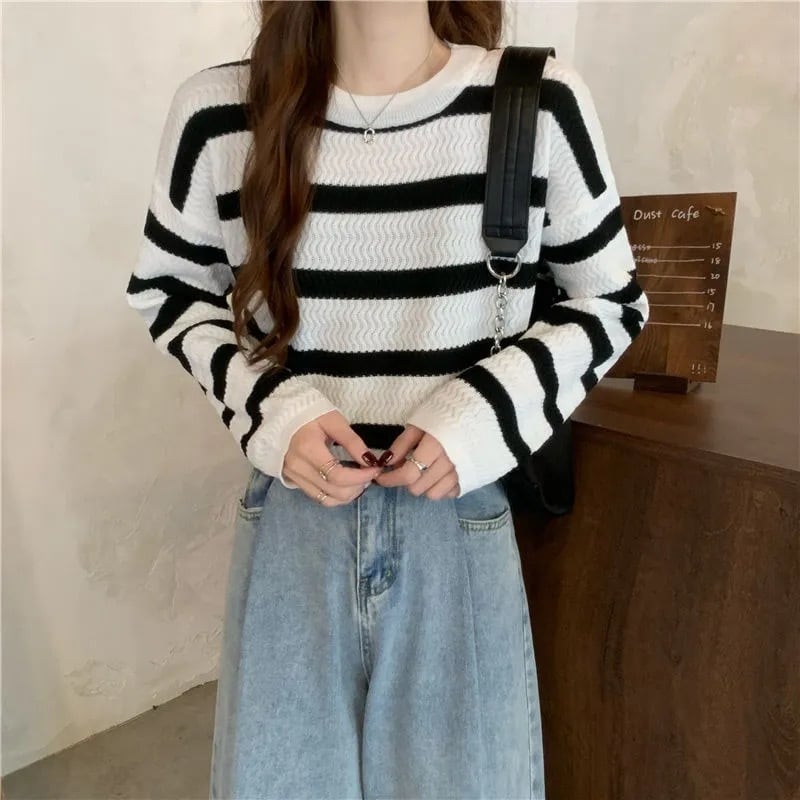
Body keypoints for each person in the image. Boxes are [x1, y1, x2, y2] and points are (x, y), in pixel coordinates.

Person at [125, 1, 649, 797]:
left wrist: (479, 416)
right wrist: (273, 410)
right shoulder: (220, 114)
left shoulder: (536, 104)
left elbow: (610, 302)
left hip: (457, 529)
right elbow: (168, 289)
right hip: (295, 524)